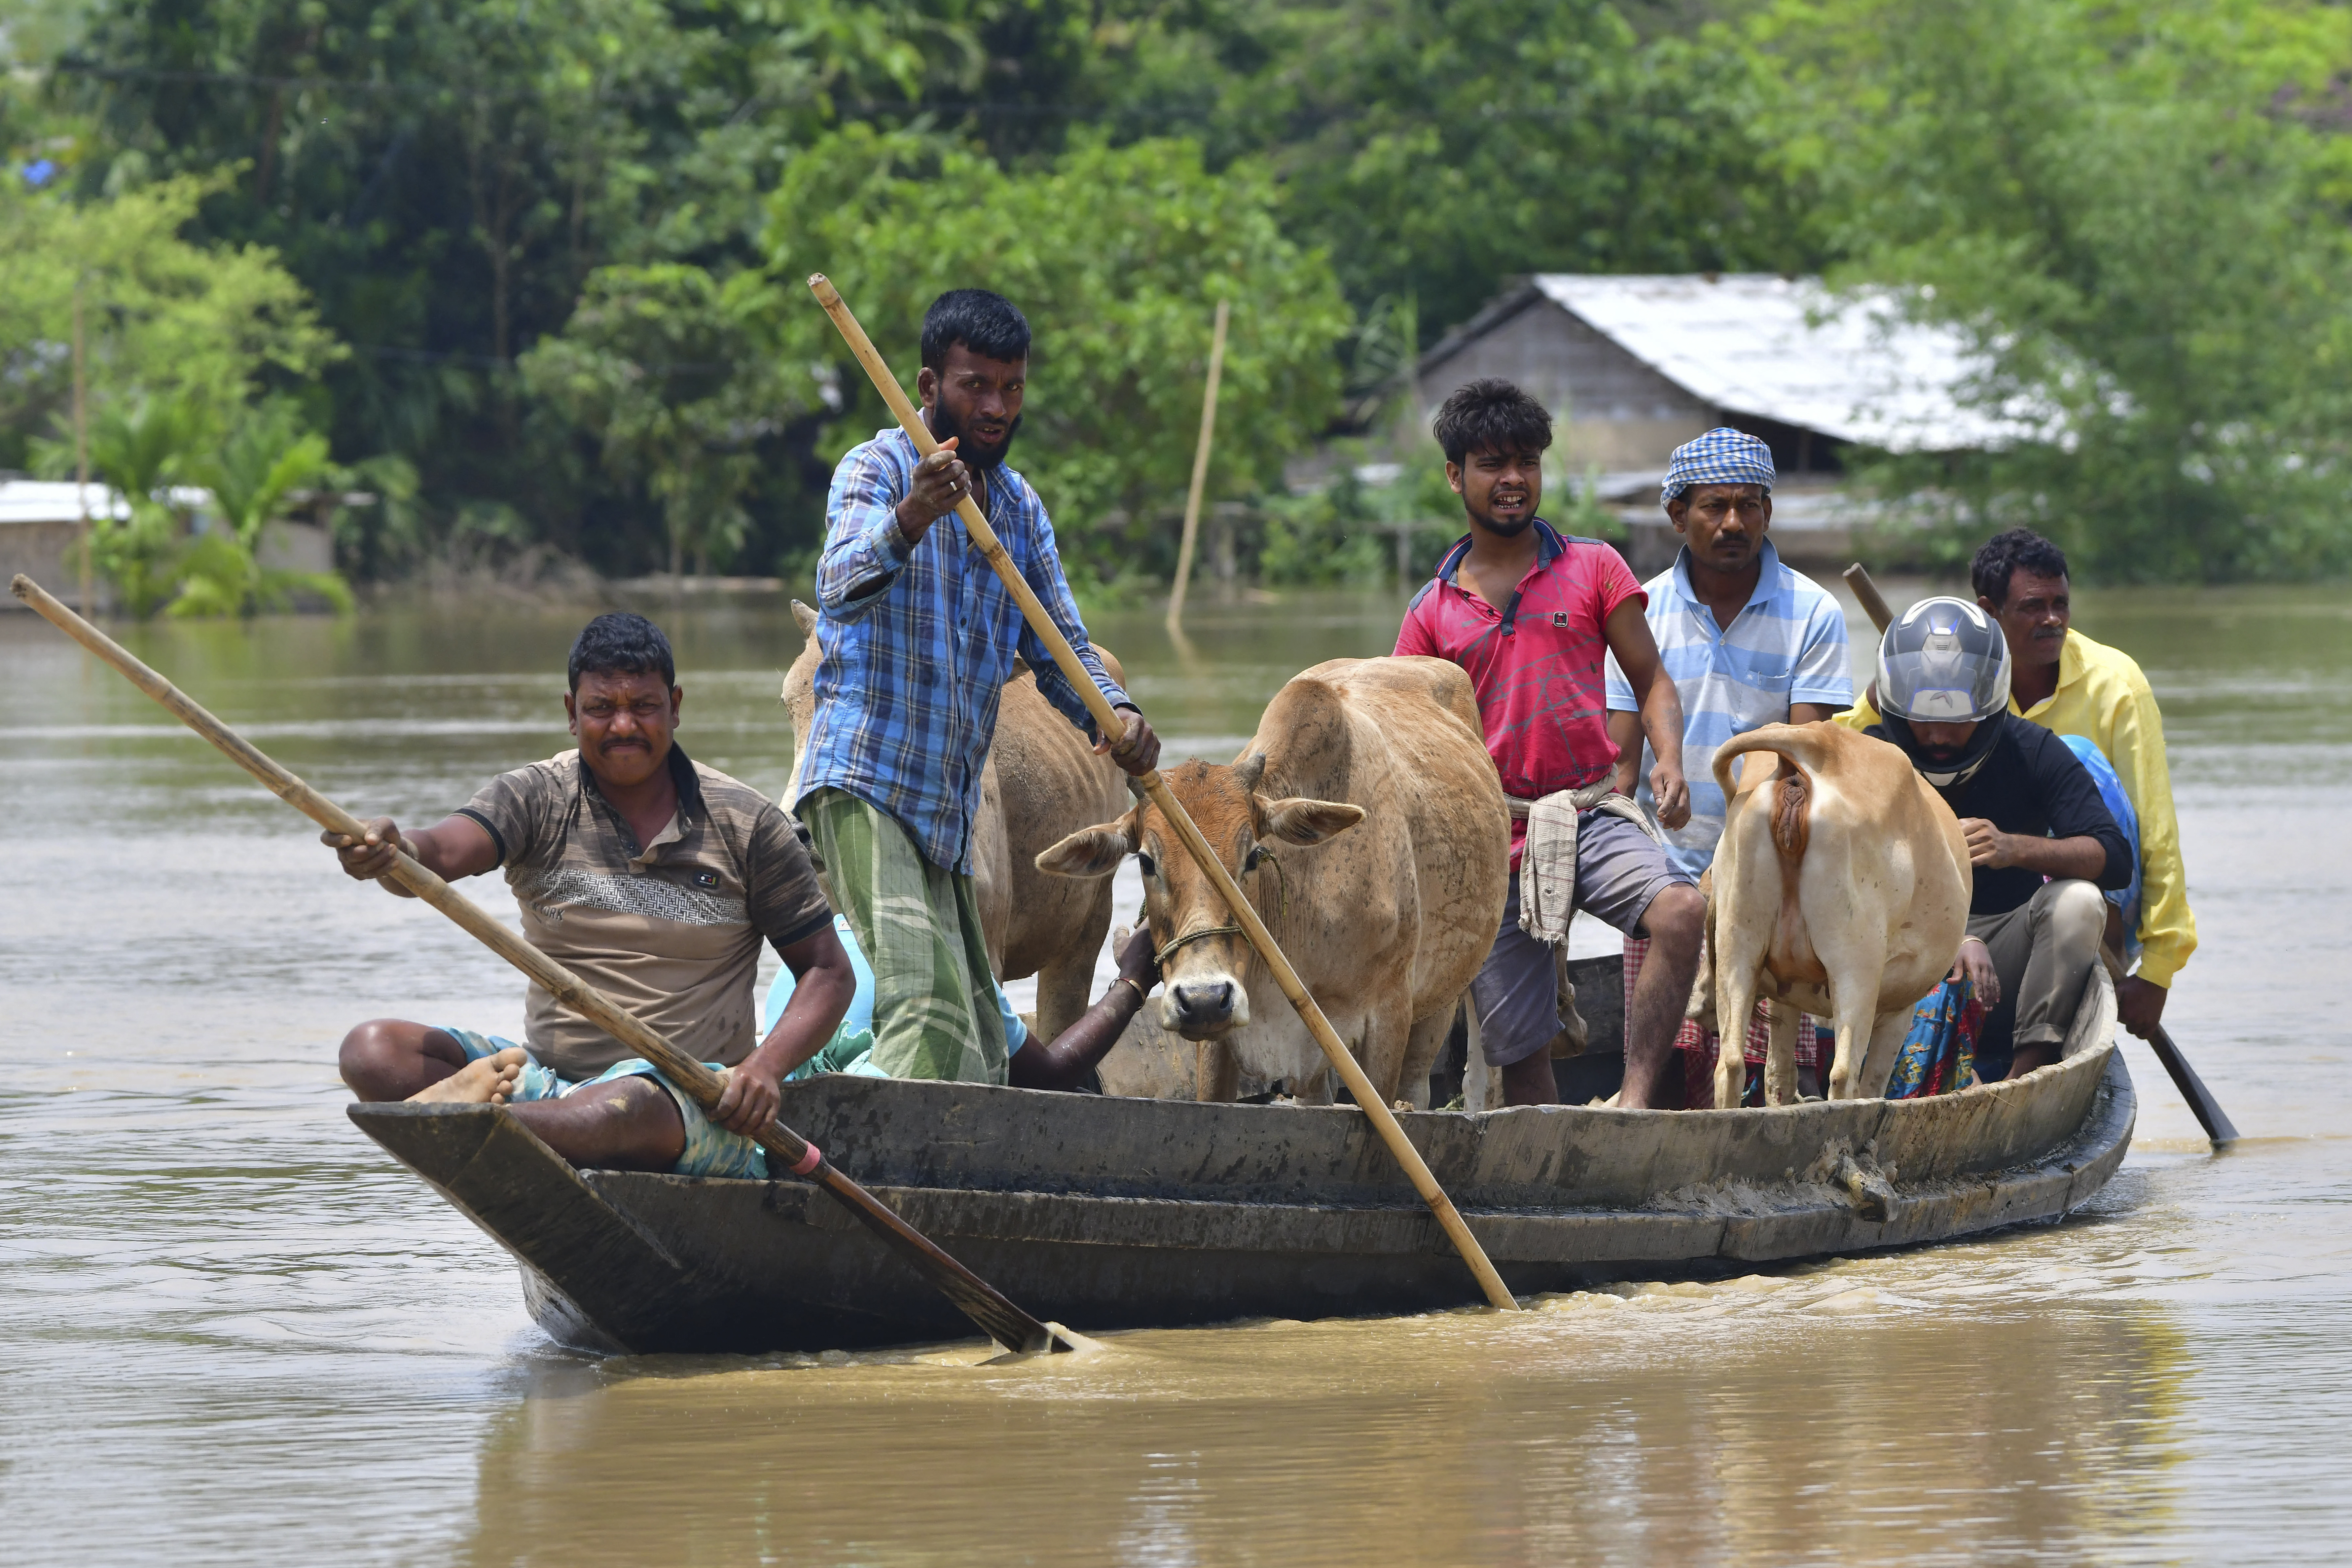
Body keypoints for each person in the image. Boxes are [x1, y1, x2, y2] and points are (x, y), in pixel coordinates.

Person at [324, 613, 857, 1177]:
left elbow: (828, 972)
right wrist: (391, 851)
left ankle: (468, 1124)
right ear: (571, 715)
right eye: (601, 708)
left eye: (643, 706)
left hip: (687, 1100)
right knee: (372, 1050)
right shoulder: (536, 797)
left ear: (675, 707)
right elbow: (437, 852)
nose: (623, 725)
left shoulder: (747, 823)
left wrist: (765, 1069)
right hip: (547, 1080)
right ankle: (489, 1120)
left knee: (628, 1106)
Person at [796, 288, 1161, 1085]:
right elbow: (837, 588)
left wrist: (1119, 717)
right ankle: (875, 1179)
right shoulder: (878, 467)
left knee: (973, 1035)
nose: (996, 408)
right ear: (929, 389)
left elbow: (1062, 647)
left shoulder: (1020, 511)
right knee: (923, 1002)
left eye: (1012, 387)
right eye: (976, 387)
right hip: (864, 786)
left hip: (948, 811)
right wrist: (913, 516)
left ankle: (935, 1180)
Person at [1394, 378, 1704, 1110]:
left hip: (1589, 809)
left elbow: (1652, 680)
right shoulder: (1430, 612)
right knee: (1524, 1072)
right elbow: (1408, 742)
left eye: (1525, 462)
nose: (1511, 480)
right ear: (1454, 475)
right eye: (1491, 463)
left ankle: (1631, 1103)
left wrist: (1666, 759)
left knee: (1682, 914)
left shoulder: (1593, 566)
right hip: (1489, 835)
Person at [1840, 530, 2195, 1041]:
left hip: (2073, 886)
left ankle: (2083, 973)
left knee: (2078, 758)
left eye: (2060, 605)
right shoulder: (1940, 671)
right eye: (2033, 607)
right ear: (1990, 610)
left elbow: (2152, 830)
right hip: (1932, 900)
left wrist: (2158, 970)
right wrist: (1889, 693)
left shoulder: (2116, 683)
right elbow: (1847, 759)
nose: (2052, 620)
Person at [1604, 428, 1853, 1104]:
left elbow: (1806, 763)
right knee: (1659, 1070)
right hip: (1667, 875)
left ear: (1768, 514)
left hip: (1774, 865)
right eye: (1714, 507)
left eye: (1748, 505)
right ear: (1677, 516)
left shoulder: (1812, 612)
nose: (1733, 523)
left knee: (1781, 1068)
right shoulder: (1637, 613)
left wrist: (1739, 861)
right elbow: (1619, 769)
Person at [1838, 598, 2132, 1079]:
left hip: (2010, 945)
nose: (1937, 735)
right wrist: (1951, 937)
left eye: (1957, 720)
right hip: (1898, 943)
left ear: (1989, 703)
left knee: (2079, 900)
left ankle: (2027, 1073)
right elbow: (1847, 880)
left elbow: (2114, 857)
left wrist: (2013, 848)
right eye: (1922, 717)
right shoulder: (1873, 756)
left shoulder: (2033, 748)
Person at [760, 917, 1163, 1091]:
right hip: (876, 1144)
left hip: (798, 1128)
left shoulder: (818, 948)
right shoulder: (947, 954)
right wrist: (1134, 979)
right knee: (1079, 1092)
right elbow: (1050, 1074)